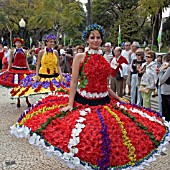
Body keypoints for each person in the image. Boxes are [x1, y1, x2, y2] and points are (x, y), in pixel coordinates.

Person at [11, 24, 170, 170]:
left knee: (109, 139)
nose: (95, 40)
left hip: (104, 102)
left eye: (98, 37)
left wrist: (119, 98)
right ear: (87, 39)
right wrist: (70, 103)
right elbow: (74, 82)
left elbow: (105, 86)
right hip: (84, 102)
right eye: (92, 37)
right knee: (84, 137)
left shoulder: (103, 58)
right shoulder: (80, 57)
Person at [10, 34, 71, 99]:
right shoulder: (41, 52)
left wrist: (61, 75)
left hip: (54, 75)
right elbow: (38, 65)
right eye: (51, 41)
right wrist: (36, 76)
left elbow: (58, 65)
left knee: (56, 91)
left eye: (53, 42)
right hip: (43, 75)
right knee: (44, 91)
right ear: (46, 42)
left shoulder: (55, 52)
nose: (52, 43)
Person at [0, 38, 33, 107]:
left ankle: (27, 99)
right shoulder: (13, 51)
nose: (18, 44)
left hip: (24, 69)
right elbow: (10, 61)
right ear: (15, 44)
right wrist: (8, 69)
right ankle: (18, 100)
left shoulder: (24, 51)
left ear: (21, 43)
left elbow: (26, 61)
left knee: (25, 85)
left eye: (19, 42)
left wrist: (29, 69)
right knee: (17, 85)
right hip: (16, 69)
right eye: (17, 42)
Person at [157, 53, 170, 121]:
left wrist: (161, 71)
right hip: (166, 91)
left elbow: (161, 80)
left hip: (166, 91)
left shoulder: (168, 69)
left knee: (166, 110)